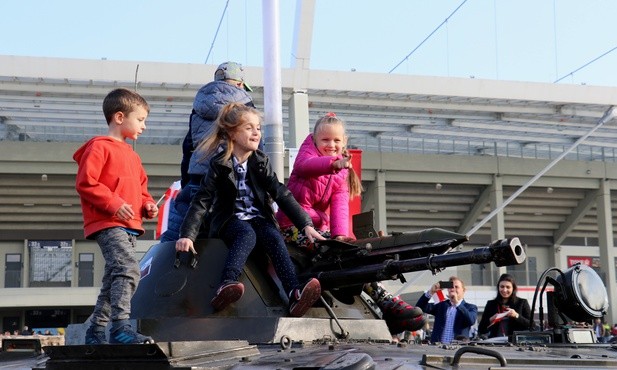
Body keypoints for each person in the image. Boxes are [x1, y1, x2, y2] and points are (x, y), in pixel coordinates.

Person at [275, 112, 425, 336]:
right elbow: (307, 166)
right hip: (291, 225)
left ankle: (388, 303)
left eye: (336, 141)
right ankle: (387, 303)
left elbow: (340, 205)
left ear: (344, 142)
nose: (331, 145)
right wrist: (334, 164)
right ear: (314, 140)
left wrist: (340, 236)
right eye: (325, 140)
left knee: (349, 254)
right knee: (332, 253)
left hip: (318, 229)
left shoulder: (341, 172)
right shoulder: (308, 156)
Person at [175, 102, 325, 317]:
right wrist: (187, 235)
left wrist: (305, 225)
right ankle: (227, 283)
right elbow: (202, 200)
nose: (256, 133)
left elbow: (280, 193)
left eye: (258, 128)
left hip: (258, 217)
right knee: (246, 235)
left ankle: (294, 293)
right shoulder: (219, 164)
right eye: (249, 128)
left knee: (274, 238)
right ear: (233, 134)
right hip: (230, 219)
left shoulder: (261, 162)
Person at [74, 88, 159, 345]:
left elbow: (142, 190)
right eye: (141, 119)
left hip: (130, 226)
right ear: (120, 117)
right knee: (129, 270)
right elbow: (86, 182)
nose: (144, 126)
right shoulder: (99, 147)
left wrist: (148, 205)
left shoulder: (134, 156)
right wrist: (113, 203)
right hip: (108, 223)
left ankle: (95, 332)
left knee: (114, 279)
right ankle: (121, 327)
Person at [160, 61, 255, 243]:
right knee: (230, 234)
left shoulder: (199, 105)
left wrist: (188, 181)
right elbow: (254, 146)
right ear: (240, 84)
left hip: (198, 178)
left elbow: (188, 146)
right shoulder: (245, 105)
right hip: (229, 179)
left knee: (182, 225)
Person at [416, 276, 478, 344]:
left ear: (463, 290)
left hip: (458, 348)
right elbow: (419, 307)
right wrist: (431, 292)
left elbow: (471, 320)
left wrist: (457, 303)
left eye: (456, 287)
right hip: (438, 348)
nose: (453, 289)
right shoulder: (441, 305)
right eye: (451, 287)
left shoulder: (470, 307)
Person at [477, 274, 532, 339]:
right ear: (498, 287)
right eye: (502, 287)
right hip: (495, 341)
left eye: (508, 287)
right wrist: (491, 319)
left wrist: (516, 315)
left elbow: (531, 325)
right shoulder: (491, 304)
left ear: (513, 288)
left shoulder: (522, 302)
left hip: (515, 341)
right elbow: (481, 329)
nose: (504, 290)